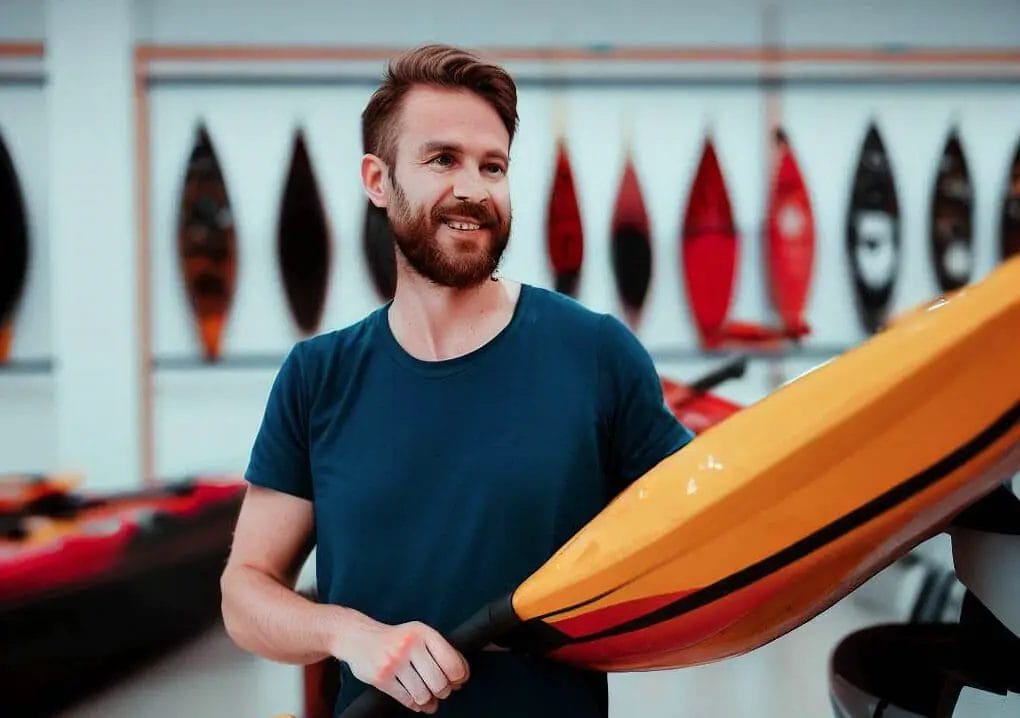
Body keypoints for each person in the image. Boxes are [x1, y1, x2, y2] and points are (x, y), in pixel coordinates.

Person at [220, 43, 694, 717]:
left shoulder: (595, 355)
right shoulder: (317, 377)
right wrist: (347, 635)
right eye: (442, 159)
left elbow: (700, 531)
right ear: (378, 181)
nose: (473, 188)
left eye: (492, 165)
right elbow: (245, 592)